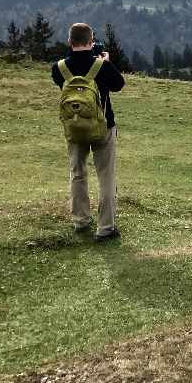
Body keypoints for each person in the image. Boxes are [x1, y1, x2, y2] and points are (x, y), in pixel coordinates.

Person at [51, 23, 125, 242]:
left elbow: (62, 82)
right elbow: (119, 84)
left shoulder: (59, 68)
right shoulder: (101, 65)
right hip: (103, 127)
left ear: (69, 42)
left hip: (74, 128)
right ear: (91, 41)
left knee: (77, 173)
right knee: (106, 176)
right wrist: (105, 62)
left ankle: (80, 220)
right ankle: (106, 227)